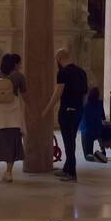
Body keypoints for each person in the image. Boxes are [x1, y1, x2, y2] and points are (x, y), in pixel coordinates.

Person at [42, 47, 87, 182]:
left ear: (60, 59)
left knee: (68, 143)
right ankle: (67, 168)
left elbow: (58, 93)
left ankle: (72, 173)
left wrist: (47, 109)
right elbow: (85, 93)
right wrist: (80, 109)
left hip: (67, 111)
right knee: (71, 140)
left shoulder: (63, 73)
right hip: (78, 111)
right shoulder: (81, 72)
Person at [0, 53, 26, 182]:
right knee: (11, 143)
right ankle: (8, 173)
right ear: (15, 64)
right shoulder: (19, 77)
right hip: (13, 114)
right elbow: (25, 96)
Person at [80, 86, 109, 163]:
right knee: (102, 130)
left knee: (87, 156)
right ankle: (102, 150)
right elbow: (103, 117)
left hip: (87, 132)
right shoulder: (99, 103)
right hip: (98, 130)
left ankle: (92, 154)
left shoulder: (85, 104)